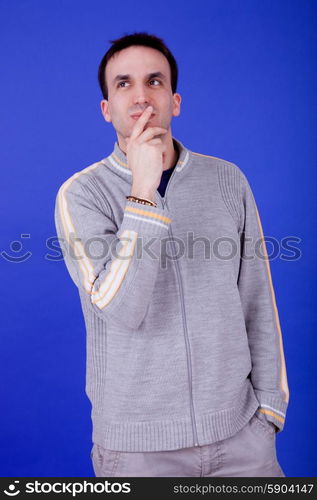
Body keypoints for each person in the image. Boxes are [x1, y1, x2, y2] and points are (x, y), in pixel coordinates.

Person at [54, 32, 290, 477]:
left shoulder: (227, 180)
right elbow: (119, 307)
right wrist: (142, 192)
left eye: (154, 81)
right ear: (107, 109)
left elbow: (258, 300)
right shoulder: (81, 194)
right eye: (123, 84)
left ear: (175, 101)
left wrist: (269, 411)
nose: (141, 96)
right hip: (139, 454)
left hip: (241, 440)